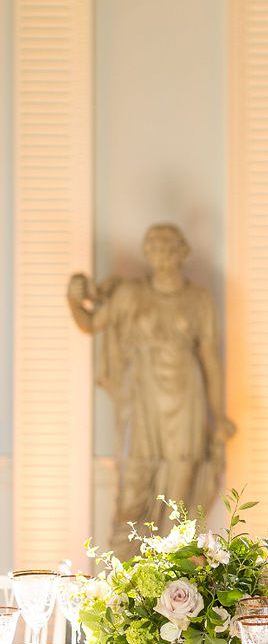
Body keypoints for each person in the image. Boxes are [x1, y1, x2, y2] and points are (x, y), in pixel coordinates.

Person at [67, 224, 236, 556]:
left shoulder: (198, 299)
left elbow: (211, 361)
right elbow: (89, 323)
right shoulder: (131, 293)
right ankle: (123, 579)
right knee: (133, 480)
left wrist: (219, 417)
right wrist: (73, 300)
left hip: (186, 395)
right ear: (147, 252)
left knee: (180, 489)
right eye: (154, 246)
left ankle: (173, 578)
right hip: (142, 396)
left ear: (181, 252)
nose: (161, 253)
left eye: (168, 246)